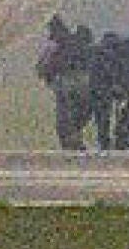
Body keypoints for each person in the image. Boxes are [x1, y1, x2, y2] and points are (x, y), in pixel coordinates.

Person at [35, 15, 91, 151]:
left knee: (64, 115)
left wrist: (46, 76)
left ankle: (69, 141)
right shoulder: (77, 42)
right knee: (81, 112)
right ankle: (75, 138)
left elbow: (41, 66)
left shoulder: (53, 44)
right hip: (84, 81)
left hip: (63, 83)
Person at [88, 31, 123, 151]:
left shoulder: (97, 54)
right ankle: (106, 143)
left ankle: (104, 143)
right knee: (104, 118)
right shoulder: (111, 57)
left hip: (98, 91)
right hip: (103, 91)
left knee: (102, 119)